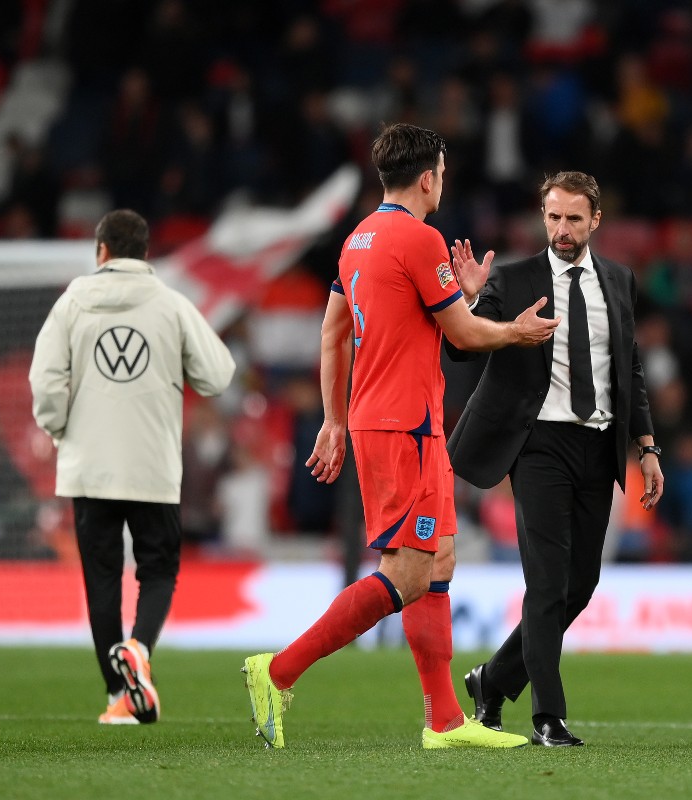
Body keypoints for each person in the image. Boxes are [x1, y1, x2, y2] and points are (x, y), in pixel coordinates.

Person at [240, 123, 558, 750]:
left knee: (438, 557)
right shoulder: (419, 237)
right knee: (409, 573)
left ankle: (443, 722)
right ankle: (276, 671)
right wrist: (516, 332)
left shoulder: (358, 239)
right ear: (427, 177)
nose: (445, 179)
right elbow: (464, 337)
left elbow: (334, 332)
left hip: (396, 421)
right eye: (443, 170)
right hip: (402, 424)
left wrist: (334, 419)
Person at [446, 170, 664, 747]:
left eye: (573, 218)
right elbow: (460, 345)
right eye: (552, 217)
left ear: (595, 220)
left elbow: (630, 371)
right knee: (545, 584)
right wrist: (472, 300)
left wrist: (647, 447)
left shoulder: (619, 280)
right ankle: (548, 717)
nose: (561, 229)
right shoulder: (514, 279)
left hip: (599, 445)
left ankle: (491, 681)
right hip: (537, 443)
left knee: (581, 583)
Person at [29, 209, 235, 725]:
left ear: (101, 251)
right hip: (152, 467)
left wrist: (61, 433)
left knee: (101, 579)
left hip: (89, 468)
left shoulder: (72, 302)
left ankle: (118, 694)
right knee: (158, 570)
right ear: (145, 254)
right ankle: (140, 648)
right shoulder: (170, 305)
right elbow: (218, 375)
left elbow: (45, 382)